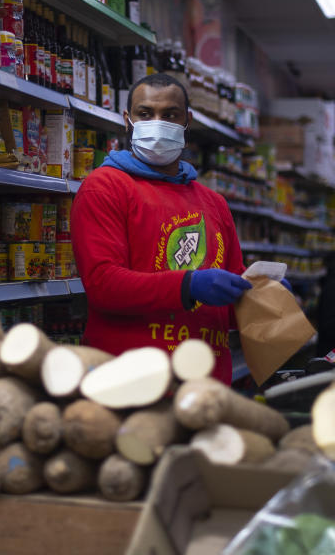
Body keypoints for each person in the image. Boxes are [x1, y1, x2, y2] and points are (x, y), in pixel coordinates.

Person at [70, 73, 256, 384]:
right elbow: (103, 284)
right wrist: (188, 285)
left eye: (170, 114)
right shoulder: (104, 188)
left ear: (187, 121)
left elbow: (232, 305)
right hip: (128, 386)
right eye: (146, 113)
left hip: (207, 388)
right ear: (128, 120)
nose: (157, 122)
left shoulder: (213, 203)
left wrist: (260, 297)